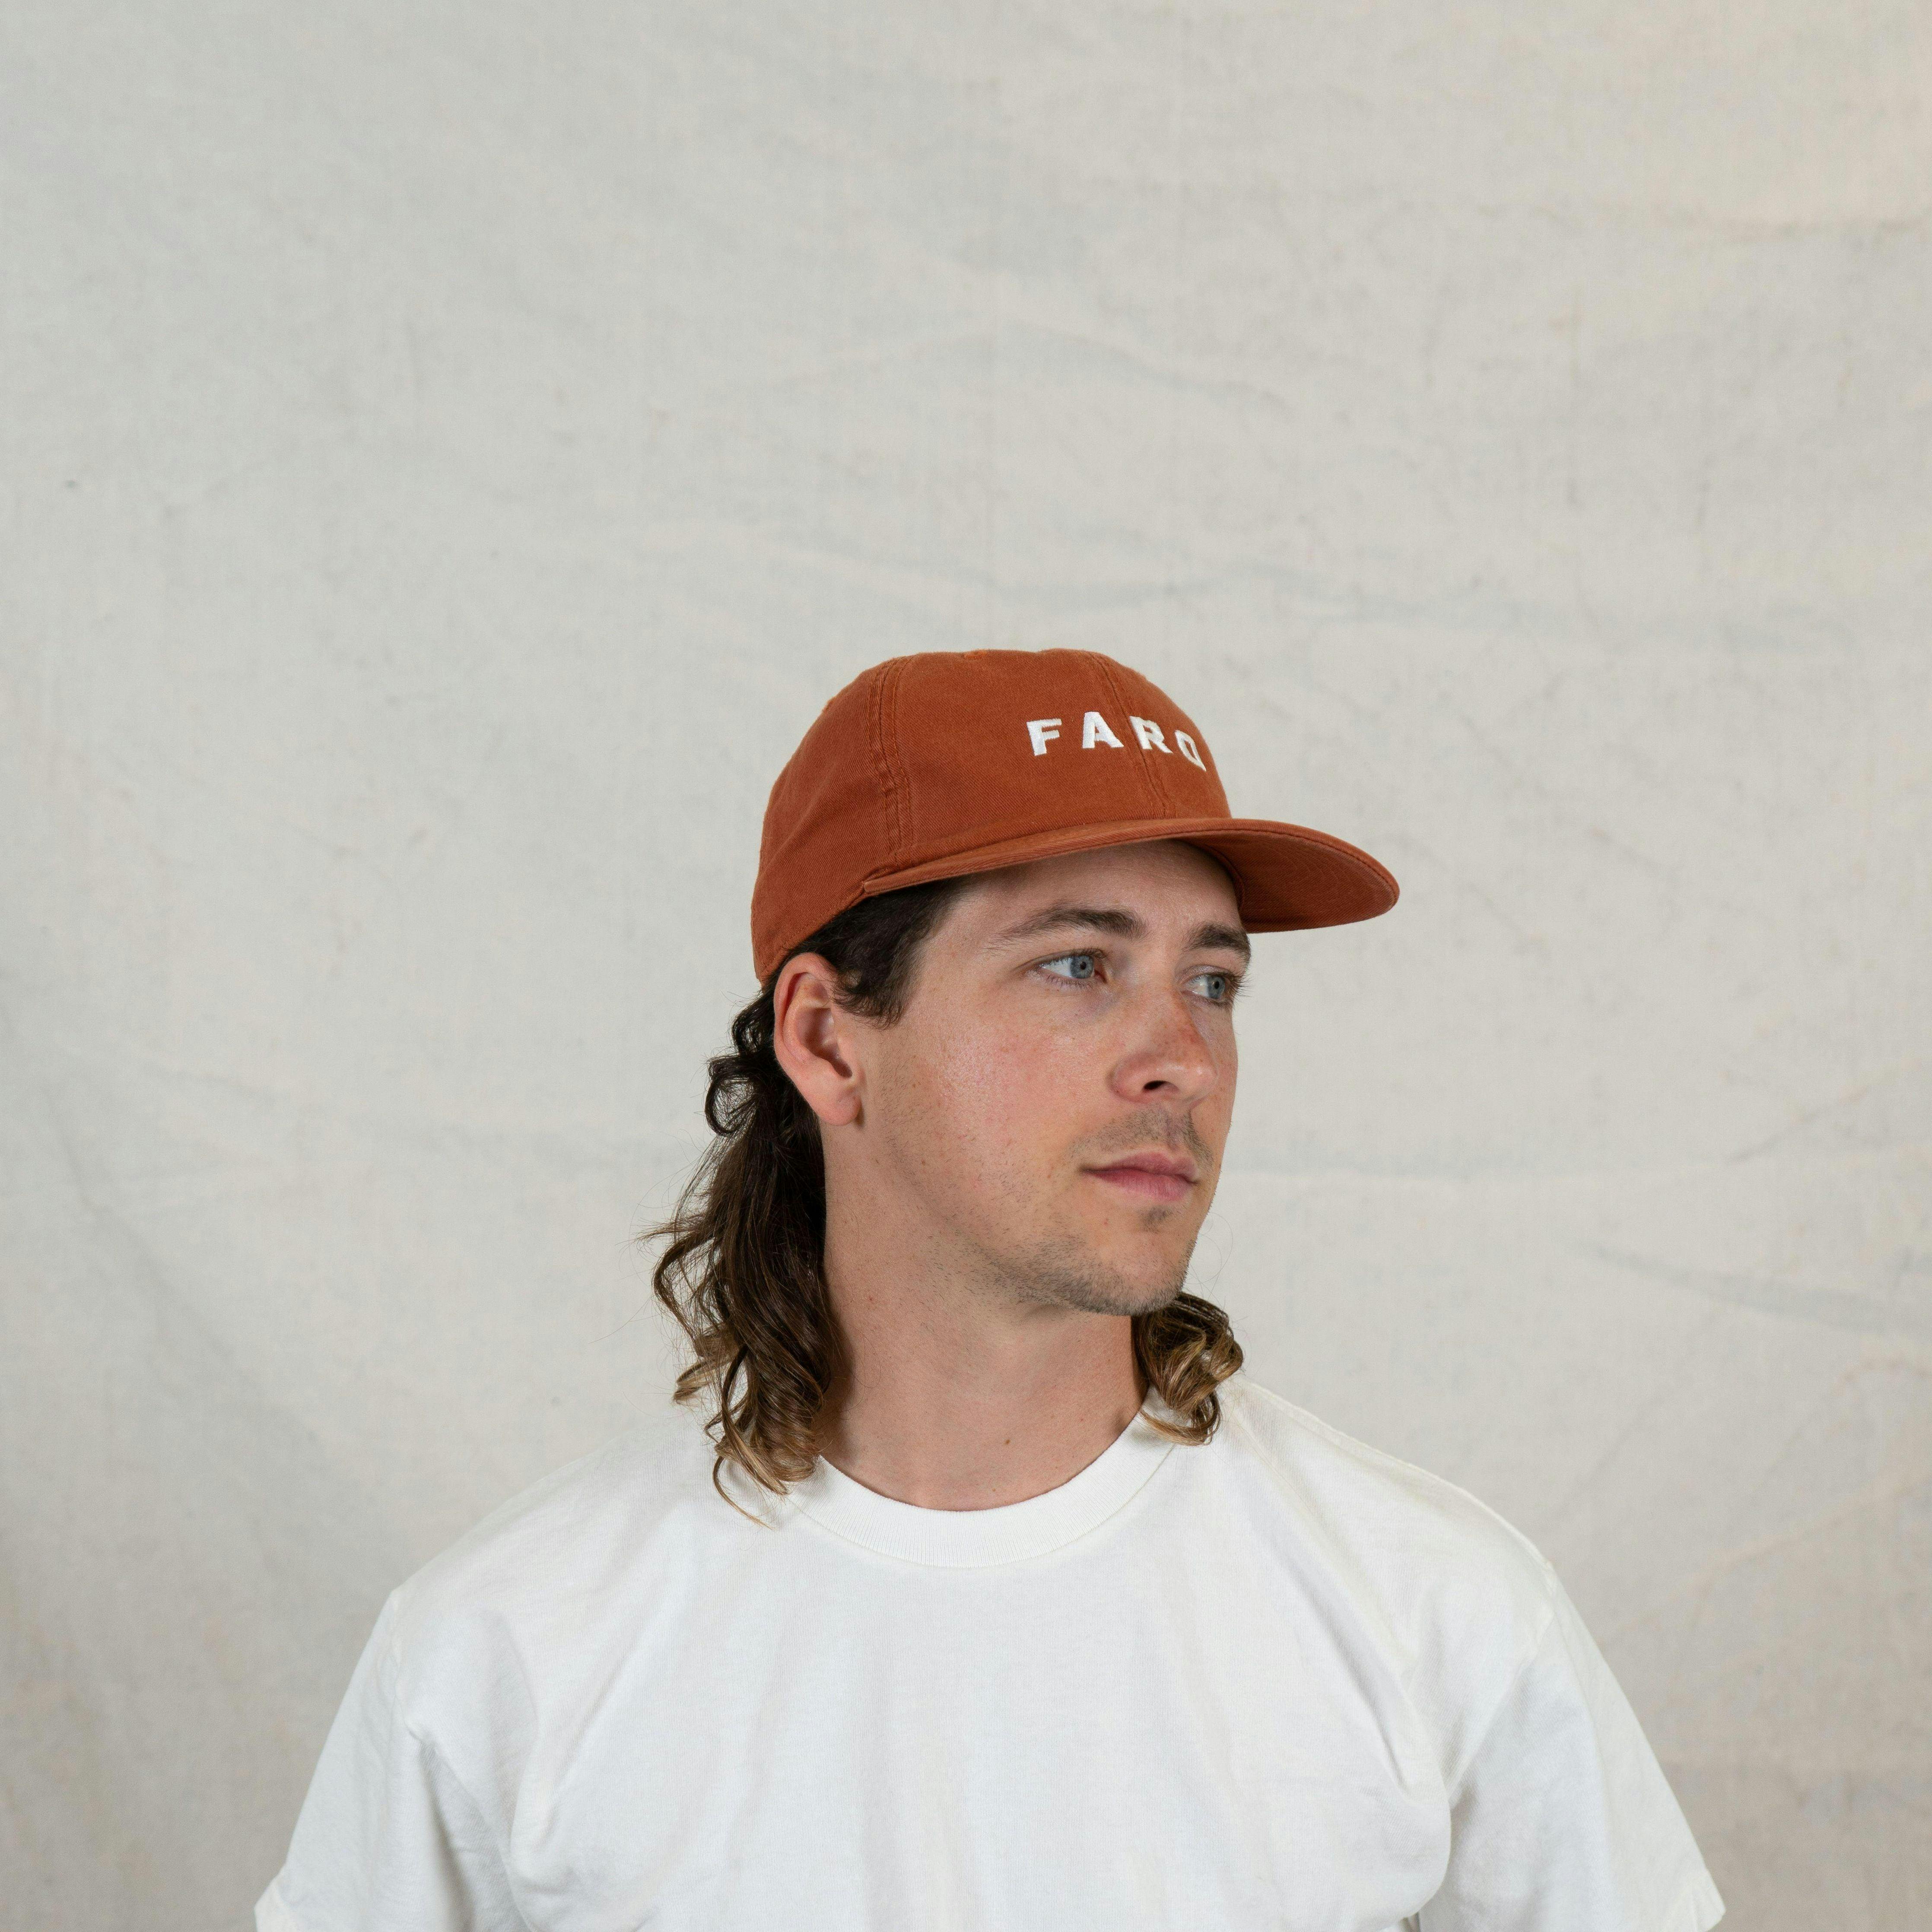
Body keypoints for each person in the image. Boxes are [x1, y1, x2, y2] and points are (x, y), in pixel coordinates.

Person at [257, 649, 1724, 1932]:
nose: (1182, 1058)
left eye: (1212, 981)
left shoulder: (1439, 1615)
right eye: (1079, 964)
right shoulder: (507, 1653)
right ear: (829, 1041)